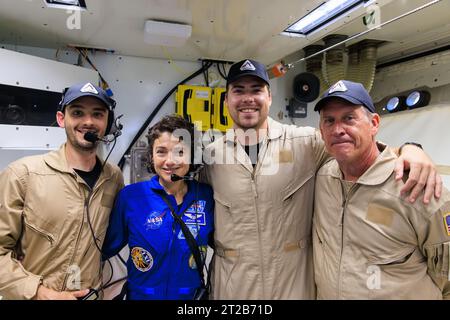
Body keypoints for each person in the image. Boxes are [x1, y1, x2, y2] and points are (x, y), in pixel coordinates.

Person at [201, 59, 442, 299]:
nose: (248, 98)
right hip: (233, 290)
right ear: (226, 100)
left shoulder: (305, 144)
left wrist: (411, 148)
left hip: (293, 290)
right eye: (238, 91)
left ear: (270, 97)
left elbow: (358, 146)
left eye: (256, 90)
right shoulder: (211, 157)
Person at [312, 80, 450, 299]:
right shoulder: (322, 178)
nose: (338, 129)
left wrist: (412, 148)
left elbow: (446, 275)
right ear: (321, 131)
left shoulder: (416, 186)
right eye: (329, 121)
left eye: (349, 118)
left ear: (374, 124)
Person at [0, 82, 124, 300]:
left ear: (107, 122)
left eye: (98, 114)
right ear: (61, 119)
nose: (88, 122)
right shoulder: (22, 174)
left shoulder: (113, 178)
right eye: (77, 113)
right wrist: (41, 293)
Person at [102, 114, 214, 300]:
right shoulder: (131, 197)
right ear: (151, 156)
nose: (170, 161)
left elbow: (224, 244)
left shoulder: (206, 196)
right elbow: (104, 249)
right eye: (161, 151)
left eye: (180, 152)